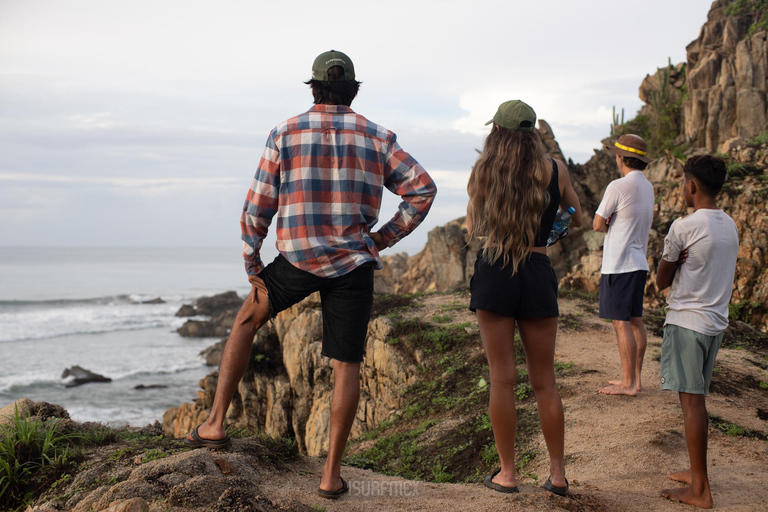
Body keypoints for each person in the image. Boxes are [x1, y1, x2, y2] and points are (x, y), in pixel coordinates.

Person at [183, 50, 437, 500]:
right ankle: (330, 475)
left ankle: (215, 424)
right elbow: (423, 189)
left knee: (245, 321)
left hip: (296, 260)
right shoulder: (378, 137)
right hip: (354, 264)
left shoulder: (285, 132)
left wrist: (252, 261)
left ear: (315, 87)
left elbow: (258, 204)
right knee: (347, 364)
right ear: (352, 90)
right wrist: (382, 239)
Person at [467, 100, 582, 496]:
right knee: (545, 381)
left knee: (502, 379)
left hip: (495, 267)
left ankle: (508, 474)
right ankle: (558, 475)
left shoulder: (484, 170)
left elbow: (474, 225)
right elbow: (576, 215)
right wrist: (548, 235)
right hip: (536, 269)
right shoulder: (554, 169)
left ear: (496, 131)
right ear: (533, 132)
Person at [656, 155, 738, 509]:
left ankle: (700, 490)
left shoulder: (684, 226)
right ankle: (695, 472)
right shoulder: (729, 225)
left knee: (692, 405)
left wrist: (676, 261)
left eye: (682, 181)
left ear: (691, 186)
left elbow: (661, 280)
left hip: (688, 322)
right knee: (695, 400)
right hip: (714, 324)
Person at [594, 134, 654, 396]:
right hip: (638, 262)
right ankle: (635, 380)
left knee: (620, 323)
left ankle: (628, 383)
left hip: (619, 264)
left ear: (620, 158)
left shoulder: (617, 186)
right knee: (635, 321)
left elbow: (597, 223)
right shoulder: (648, 187)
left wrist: (607, 222)